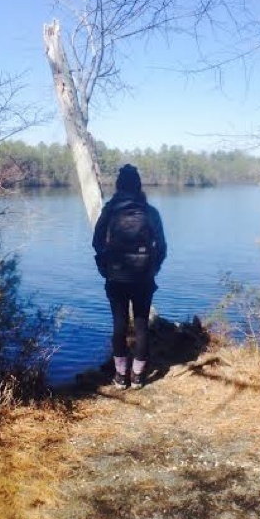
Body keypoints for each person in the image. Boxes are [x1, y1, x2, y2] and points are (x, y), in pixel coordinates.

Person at [93, 164, 167, 390]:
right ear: (138, 185)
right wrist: (153, 268)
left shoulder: (109, 210)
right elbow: (162, 246)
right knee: (142, 325)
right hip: (143, 278)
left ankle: (120, 376)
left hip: (116, 277)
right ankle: (137, 377)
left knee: (119, 325)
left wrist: (106, 266)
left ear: (118, 186)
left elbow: (96, 243)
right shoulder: (150, 212)